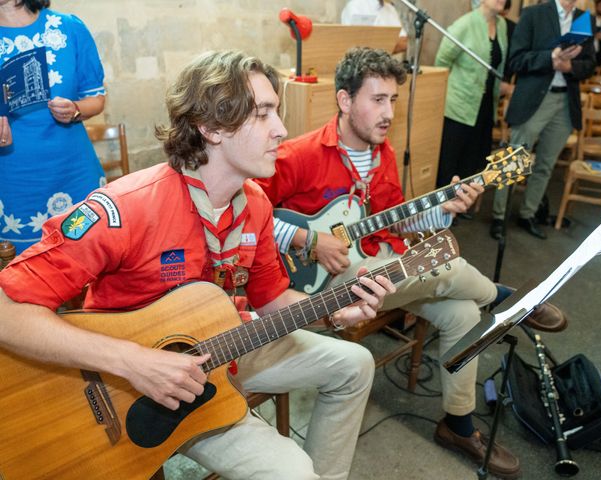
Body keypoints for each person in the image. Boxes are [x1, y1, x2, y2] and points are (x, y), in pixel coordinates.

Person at [0, 50, 396, 480]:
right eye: (263, 114)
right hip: (122, 383)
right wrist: (134, 361)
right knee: (292, 471)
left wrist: (334, 310)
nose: (282, 130)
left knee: (354, 364)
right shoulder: (128, 207)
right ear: (210, 127)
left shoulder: (257, 206)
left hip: (224, 354)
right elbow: (7, 310)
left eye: (276, 113)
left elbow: (270, 300)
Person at [257, 46, 567, 479]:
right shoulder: (299, 154)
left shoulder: (382, 154)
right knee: (438, 269)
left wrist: (447, 209)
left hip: (381, 270)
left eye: (393, 101)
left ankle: (457, 425)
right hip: (322, 287)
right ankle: (505, 296)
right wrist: (309, 240)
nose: (388, 112)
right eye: (377, 99)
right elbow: (248, 215)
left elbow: (399, 221)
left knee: (462, 313)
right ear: (345, 101)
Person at [0, 0, 106, 254]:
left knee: (88, 262)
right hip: (13, 179)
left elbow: (97, 98)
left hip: (73, 170)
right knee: (20, 276)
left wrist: (76, 109)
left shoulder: (69, 28)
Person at [490, 0, 596, 240]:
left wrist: (570, 66)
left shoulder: (583, 19)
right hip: (534, 100)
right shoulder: (533, 14)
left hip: (565, 104)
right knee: (512, 160)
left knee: (546, 165)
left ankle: (528, 213)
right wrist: (551, 57)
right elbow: (516, 60)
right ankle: (499, 216)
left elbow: (590, 64)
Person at [435, 0, 511, 188]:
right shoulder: (464, 24)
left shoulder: (501, 25)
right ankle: (443, 211)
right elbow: (441, 62)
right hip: (459, 105)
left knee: (472, 161)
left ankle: (460, 205)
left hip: (486, 105)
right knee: (450, 164)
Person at [341, 0, 407, 54]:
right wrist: (389, 43)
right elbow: (356, 47)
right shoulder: (355, 5)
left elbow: (404, 43)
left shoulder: (390, 9)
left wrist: (376, 46)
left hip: (385, 66)